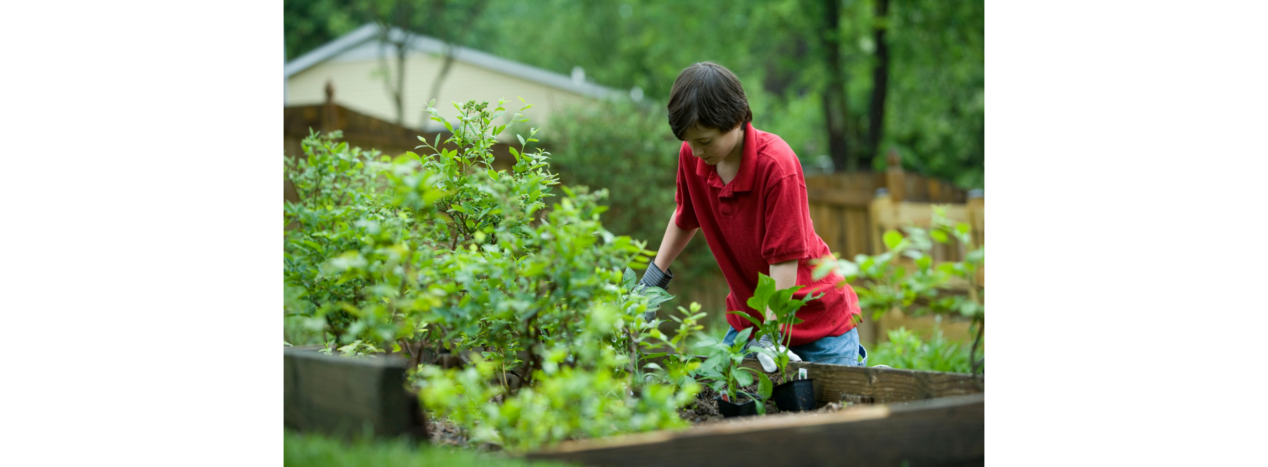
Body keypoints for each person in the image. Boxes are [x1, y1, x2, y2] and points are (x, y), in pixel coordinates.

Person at [638, 62, 867, 371]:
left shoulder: (775, 164)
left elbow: (784, 260)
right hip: (752, 322)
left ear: (735, 119)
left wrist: (772, 336)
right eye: (688, 141)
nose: (694, 151)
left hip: (818, 324)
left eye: (704, 141)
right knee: (727, 402)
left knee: (833, 410)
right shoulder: (693, 157)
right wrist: (650, 285)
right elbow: (685, 216)